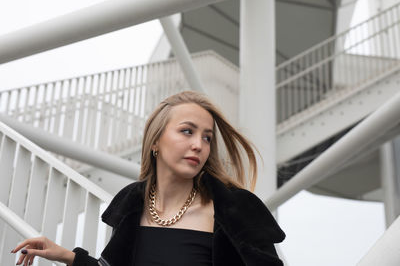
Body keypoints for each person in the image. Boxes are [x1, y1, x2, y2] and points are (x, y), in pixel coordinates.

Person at [12, 91, 285, 266]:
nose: (199, 145)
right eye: (187, 131)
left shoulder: (235, 209)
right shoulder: (132, 204)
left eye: (206, 137)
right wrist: (66, 256)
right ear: (156, 141)